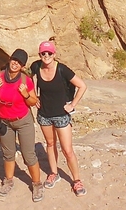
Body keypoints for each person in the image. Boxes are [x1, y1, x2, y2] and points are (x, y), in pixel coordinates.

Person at [30, 40, 88, 196]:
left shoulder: (62, 69)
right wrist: (34, 97)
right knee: (50, 144)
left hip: (61, 115)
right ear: (40, 55)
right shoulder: (36, 67)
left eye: (49, 53)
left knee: (67, 150)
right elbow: (28, 82)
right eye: (43, 53)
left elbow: (82, 86)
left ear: (54, 54)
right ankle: (54, 173)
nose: (46, 56)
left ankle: (76, 181)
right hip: (44, 115)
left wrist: (72, 105)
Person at [0, 48, 43, 202]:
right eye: (14, 60)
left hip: (23, 121)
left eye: (19, 63)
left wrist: (25, 94)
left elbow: (33, 102)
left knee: (29, 154)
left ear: (23, 66)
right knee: (8, 153)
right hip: (5, 121)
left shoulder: (26, 80)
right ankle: (8, 181)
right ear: (9, 60)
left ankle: (37, 185)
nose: (15, 64)